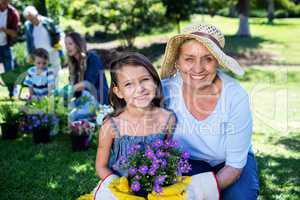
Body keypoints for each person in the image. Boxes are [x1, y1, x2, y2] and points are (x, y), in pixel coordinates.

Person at [160, 23, 260, 200]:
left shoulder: (235, 96)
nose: (198, 68)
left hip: (229, 162)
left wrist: (195, 193)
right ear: (177, 61)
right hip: (186, 162)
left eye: (208, 59)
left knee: (240, 196)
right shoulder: (164, 92)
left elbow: (234, 167)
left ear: (217, 62)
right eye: (189, 59)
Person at [93, 52, 178, 199]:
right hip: (121, 189)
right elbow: (101, 166)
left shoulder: (167, 118)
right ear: (118, 92)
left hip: (157, 189)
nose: (140, 89)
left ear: (155, 82)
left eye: (145, 80)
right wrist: (120, 187)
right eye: (128, 84)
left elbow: (167, 154)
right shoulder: (112, 126)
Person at [64, 32, 109, 104]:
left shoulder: (92, 58)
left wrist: (70, 89)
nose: (67, 47)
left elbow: (88, 84)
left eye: (70, 44)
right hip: (84, 100)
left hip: (99, 99)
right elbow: (73, 86)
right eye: (66, 44)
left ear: (78, 44)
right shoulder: (73, 64)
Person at [23, 6, 62, 77]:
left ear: (36, 15)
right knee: (42, 76)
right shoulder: (28, 26)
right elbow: (29, 41)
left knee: (55, 73)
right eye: (30, 20)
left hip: (52, 51)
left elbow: (58, 33)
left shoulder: (48, 22)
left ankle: (54, 88)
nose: (32, 21)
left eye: (32, 19)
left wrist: (58, 47)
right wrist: (30, 54)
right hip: (40, 55)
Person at [0, 0, 20, 96]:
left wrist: (4, 30)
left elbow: (14, 33)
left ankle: (13, 93)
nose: (4, 1)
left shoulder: (13, 13)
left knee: (9, 71)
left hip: (6, 46)